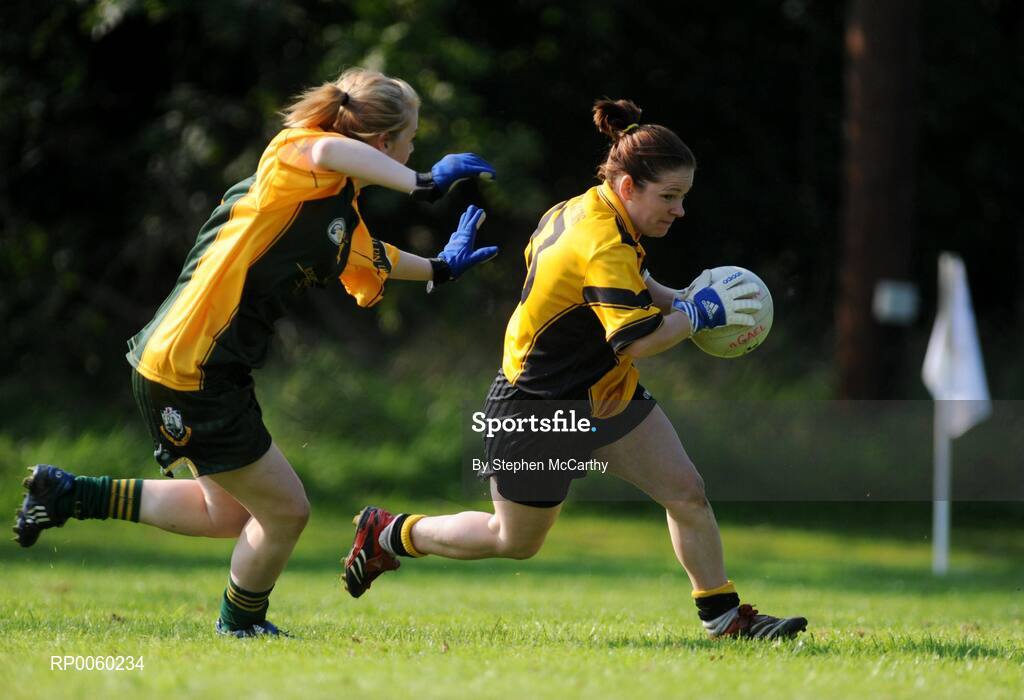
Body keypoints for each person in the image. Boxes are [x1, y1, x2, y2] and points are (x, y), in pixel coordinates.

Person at [12, 67, 499, 637]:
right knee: (286, 512)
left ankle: (67, 493)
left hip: (196, 364)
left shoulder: (334, 212)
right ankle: (240, 625)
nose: (415, 149)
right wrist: (422, 182)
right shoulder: (297, 156)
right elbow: (326, 147)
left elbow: (376, 260)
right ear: (381, 143)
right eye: (411, 138)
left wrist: (441, 267)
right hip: (192, 364)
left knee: (229, 513)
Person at [342, 98, 807, 641]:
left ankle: (724, 617)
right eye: (670, 197)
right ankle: (388, 533)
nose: (680, 211)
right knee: (513, 540)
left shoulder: (591, 206)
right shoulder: (602, 240)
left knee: (686, 492)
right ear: (630, 185)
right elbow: (637, 342)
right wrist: (695, 313)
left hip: (602, 389)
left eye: (683, 196)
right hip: (539, 402)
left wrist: (677, 297)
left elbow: (633, 282)